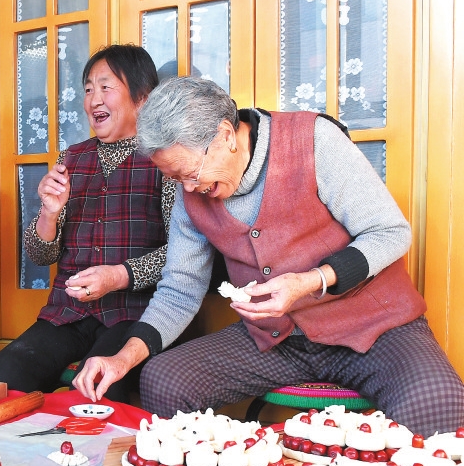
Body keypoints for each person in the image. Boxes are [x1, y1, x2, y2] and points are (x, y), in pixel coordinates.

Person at [73, 76, 464, 435]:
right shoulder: (190, 193)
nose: (188, 188)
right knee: (165, 379)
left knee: (436, 399)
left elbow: (390, 232)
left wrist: (311, 281)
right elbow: (179, 289)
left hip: (375, 327)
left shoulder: (313, 140)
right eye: (175, 178)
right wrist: (123, 359)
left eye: (190, 173)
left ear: (225, 134)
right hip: (277, 340)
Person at [0, 45, 172, 401]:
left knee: (95, 388)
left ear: (142, 99)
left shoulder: (165, 159)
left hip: (133, 313)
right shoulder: (71, 158)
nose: (94, 100)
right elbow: (40, 255)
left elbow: (182, 255)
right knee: (0, 378)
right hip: (68, 312)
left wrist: (118, 275)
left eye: (106, 87)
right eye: (88, 89)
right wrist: (49, 212)